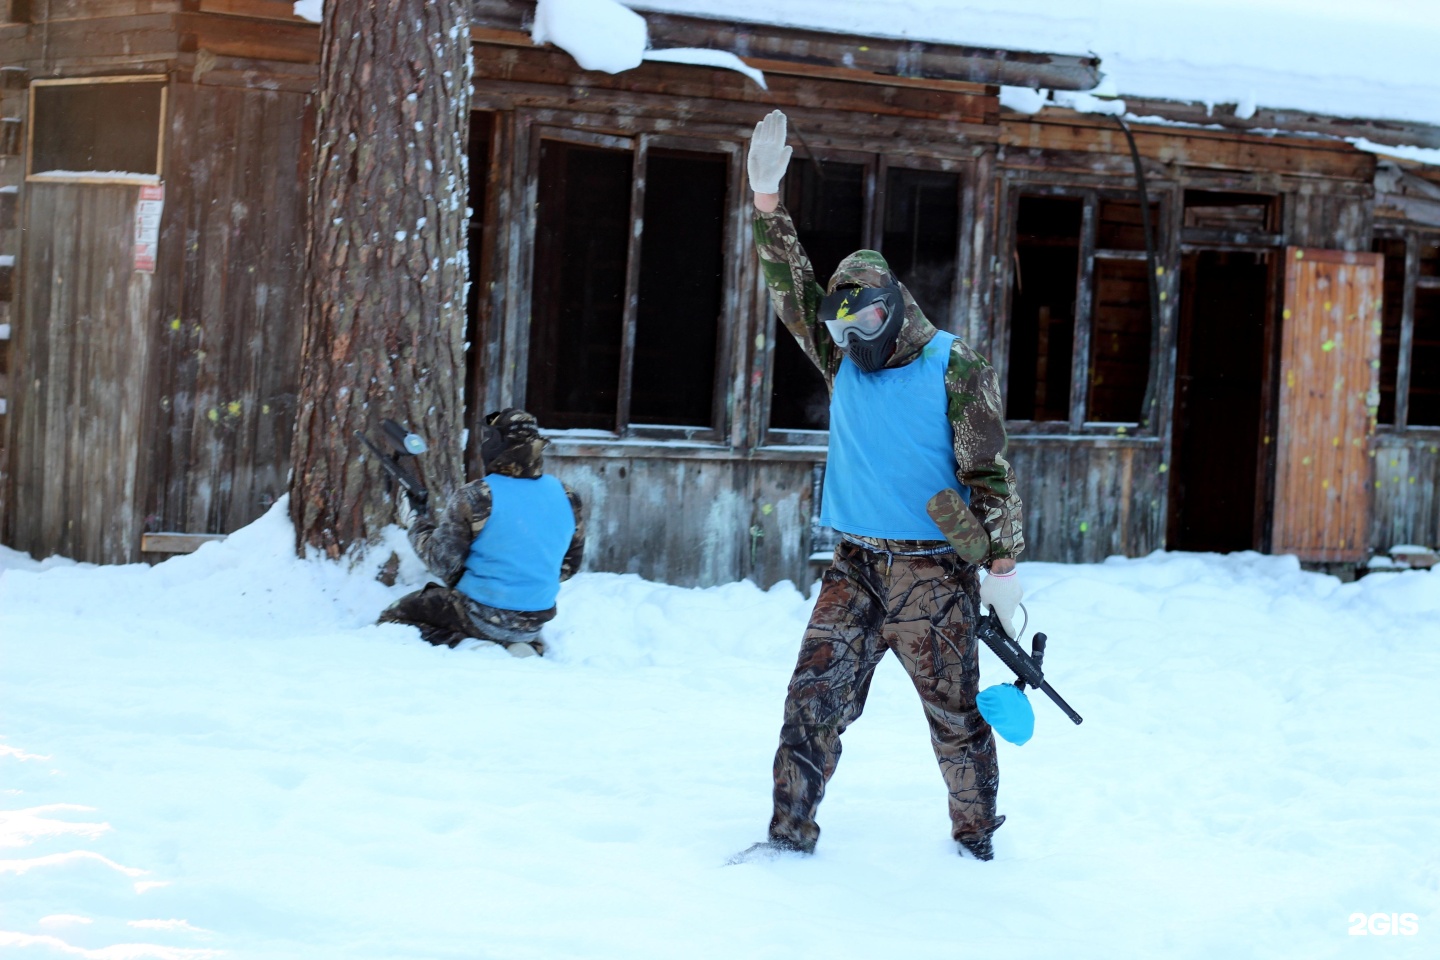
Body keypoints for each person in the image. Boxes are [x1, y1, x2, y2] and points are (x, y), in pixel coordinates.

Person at [738, 110, 1026, 862]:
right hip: (855, 565)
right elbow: (791, 284)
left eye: (862, 319)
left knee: (956, 721)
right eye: (838, 327)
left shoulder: (953, 365)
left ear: (891, 305)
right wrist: (768, 203)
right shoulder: (840, 359)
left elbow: (989, 470)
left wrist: (1001, 565)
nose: (850, 337)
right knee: (811, 705)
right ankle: (786, 840)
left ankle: (976, 849)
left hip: (934, 573)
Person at [378, 409, 585, 658]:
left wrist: (415, 521)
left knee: (393, 618)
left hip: (479, 614)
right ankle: (523, 647)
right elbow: (570, 566)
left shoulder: (477, 496)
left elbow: (442, 562)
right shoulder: (567, 495)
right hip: (534, 620)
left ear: (497, 444)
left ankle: (469, 644)